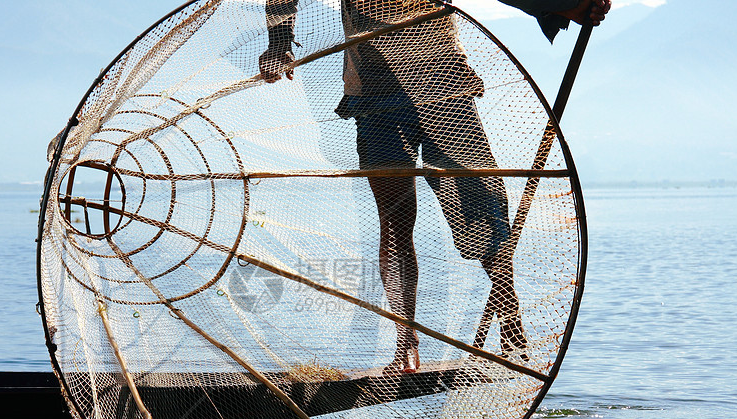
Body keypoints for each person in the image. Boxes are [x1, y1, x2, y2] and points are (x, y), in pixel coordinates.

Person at [260, 0, 611, 374]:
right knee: (395, 224)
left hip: (443, 80)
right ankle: (406, 339)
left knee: (483, 207)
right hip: (375, 89)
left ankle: (510, 323)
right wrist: (280, 40)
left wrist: (566, 5)